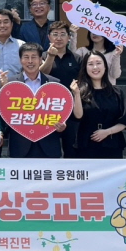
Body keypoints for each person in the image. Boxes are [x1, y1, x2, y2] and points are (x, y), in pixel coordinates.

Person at [0, 42, 64, 158]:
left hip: (49, 146)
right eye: (26, 57)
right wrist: (4, 89)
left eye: (34, 57)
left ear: (40, 60)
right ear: (20, 60)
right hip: (20, 147)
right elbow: (2, 112)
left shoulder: (54, 83)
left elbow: (63, 112)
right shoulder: (9, 84)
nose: (30, 61)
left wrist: (62, 125)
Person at [70, 50, 126, 159]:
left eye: (98, 63)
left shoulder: (117, 92)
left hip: (112, 145)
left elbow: (125, 121)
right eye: (90, 64)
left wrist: (107, 132)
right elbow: (78, 116)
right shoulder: (79, 91)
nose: (95, 67)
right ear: (85, 68)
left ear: (105, 66)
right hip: (86, 146)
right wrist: (77, 94)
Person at [40, 20, 83, 158]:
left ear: (69, 37)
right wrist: (50, 57)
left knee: (71, 150)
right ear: (49, 37)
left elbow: (83, 83)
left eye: (63, 34)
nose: (59, 38)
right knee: (49, 150)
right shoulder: (43, 56)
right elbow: (41, 75)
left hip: (71, 109)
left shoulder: (77, 58)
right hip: (47, 109)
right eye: (55, 34)